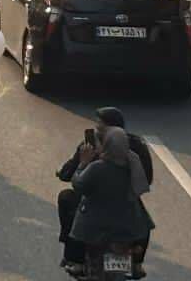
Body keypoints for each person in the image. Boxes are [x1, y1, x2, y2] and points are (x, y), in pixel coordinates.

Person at [57, 107, 153, 275]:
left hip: (97, 210)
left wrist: (82, 163)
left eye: (100, 127)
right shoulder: (135, 153)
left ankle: (75, 259)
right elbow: (146, 180)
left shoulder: (95, 159)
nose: (97, 130)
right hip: (126, 208)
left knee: (68, 202)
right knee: (143, 221)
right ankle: (136, 264)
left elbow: (76, 182)